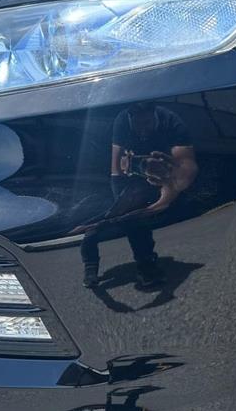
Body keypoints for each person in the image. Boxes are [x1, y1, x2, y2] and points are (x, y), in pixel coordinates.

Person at [79, 102, 198, 289]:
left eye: (147, 123)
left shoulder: (173, 123)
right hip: (127, 178)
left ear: (155, 115)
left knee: (134, 220)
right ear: (130, 118)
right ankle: (91, 266)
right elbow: (116, 167)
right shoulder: (122, 121)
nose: (142, 129)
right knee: (113, 221)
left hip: (165, 176)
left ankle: (146, 264)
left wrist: (167, 191)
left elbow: (185, 168)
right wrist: (122, 202)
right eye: (137, 124)